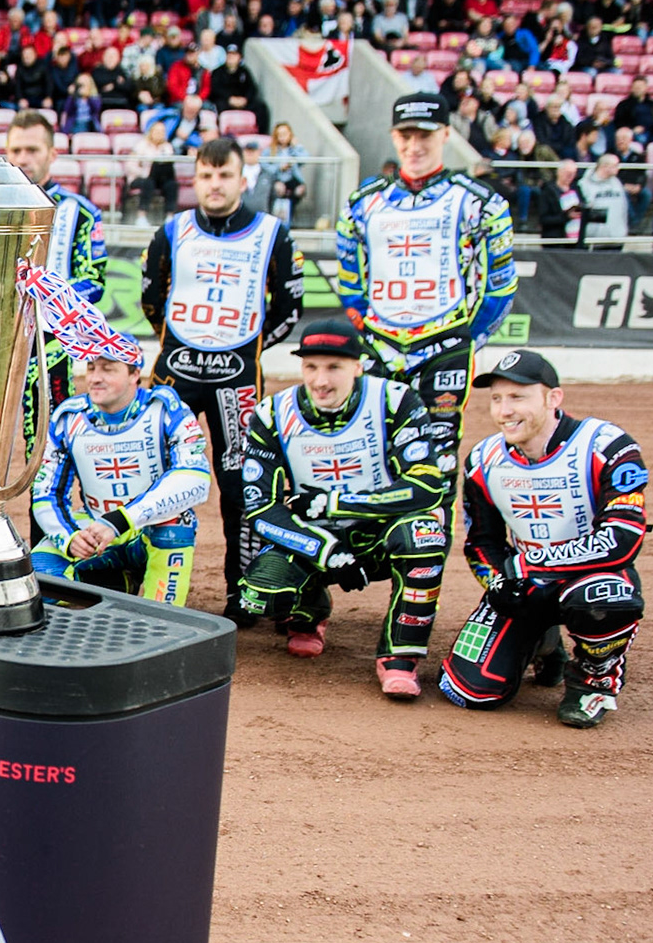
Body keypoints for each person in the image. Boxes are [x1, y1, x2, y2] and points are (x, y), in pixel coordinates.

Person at [237, 319, 453, 699]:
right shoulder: (272, 413)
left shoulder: (395, 400)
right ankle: (310, 612)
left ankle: (399, 658)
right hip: (317, 540)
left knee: (425, 535)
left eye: (334, 367)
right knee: (258, 594)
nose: (321, 380)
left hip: (382, 534)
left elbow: (427, 486)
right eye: (311, 367)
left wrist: (334, 503)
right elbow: (260, 507)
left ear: (359, 366)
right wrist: (327, 552)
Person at [438, 350, 647, 729]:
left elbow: (623, 539)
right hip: (526, 586)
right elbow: (481, 543)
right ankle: (546, 642)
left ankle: (593, 680)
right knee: (468, 690)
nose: (504, 411)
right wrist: (498, 582)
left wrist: (528, 565)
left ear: (554, 399)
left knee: (607, 600)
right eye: (497, 399)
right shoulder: (483, 460)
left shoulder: (607, 445)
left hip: (591, 578)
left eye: (518, 397)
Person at [140, 136, 303, 623]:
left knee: (241, 486)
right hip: (175, 373)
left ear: (241, 178)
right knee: (153, 475)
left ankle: (244, 592)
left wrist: (243, 347)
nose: (215, 184)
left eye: (224, 175)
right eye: (206, 176)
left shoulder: (273, 232)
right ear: (194, 178)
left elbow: (289, 309)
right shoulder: (172, 230)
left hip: (240, 380)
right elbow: (152, 300)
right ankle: (142, 582)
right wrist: (186, 343)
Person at [335, 94, 515, 477]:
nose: (414, 146)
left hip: (445, 347)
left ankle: (428, 538)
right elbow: (349, 276)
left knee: (437, 458)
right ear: (393, 136)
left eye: (425, 136)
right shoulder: (362, 204)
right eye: (405, 136)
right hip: (380, 347)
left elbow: (500, 285)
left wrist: (467, 337)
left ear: (446, 134)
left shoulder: (480, 202)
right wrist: (365, 325)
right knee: (370, 450)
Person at [31, 342, 211, 607]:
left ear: (134, 374)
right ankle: (114, 584)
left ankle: (161, 615)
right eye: (91, 368)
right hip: (94, 523)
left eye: (108, 369)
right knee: (37, 577)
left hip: (153, 526)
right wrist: (69, 538)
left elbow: (195, 478)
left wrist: (121, 520)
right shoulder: (69, 417)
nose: (95, 378)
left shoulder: (165, 409)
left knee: (176, 527)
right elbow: (45, 492)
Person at [4, 109, 106, 419]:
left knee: (48, 439)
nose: (23, 158)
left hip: (50, 343)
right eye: (16, 150)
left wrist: (41, 294)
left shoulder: (81, 213)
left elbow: (94, 281)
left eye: (32, 150)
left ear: (52, 154)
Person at [576, 153, 629, 247]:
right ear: (605, 166)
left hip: (617, 238)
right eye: (615, 165)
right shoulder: (584, 184)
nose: (618, 168)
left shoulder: (617, 183)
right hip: (594, 240)